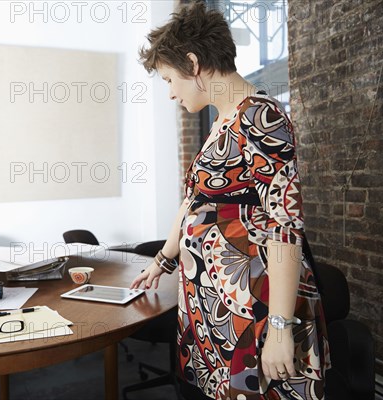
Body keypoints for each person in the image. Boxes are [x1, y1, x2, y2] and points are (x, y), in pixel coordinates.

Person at [130, 2, 330, 399]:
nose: (170, 93)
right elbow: (194, 203)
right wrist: (162, 262)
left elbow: (284, 225)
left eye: (170, 79)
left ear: (193, 63)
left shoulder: (261, 117)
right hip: (215, 305)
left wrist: (279, 326)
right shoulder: (223, 121)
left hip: (255, 307)